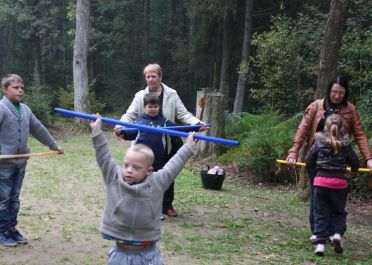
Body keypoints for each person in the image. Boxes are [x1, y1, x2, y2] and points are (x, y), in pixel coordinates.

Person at [90, 114, 198, 265]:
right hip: (120, 254)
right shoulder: (114, 177)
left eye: (136, 167)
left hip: (148, 255)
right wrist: (96, 131)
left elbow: (173, 166)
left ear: (149, 170)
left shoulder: (157, 182)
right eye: (126, 165)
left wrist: (188, 147)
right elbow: (104, 156)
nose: (128, 170)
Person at [286, 74, 372, 242]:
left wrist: (368, 158)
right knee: (318, 198)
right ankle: (318, 232)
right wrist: (293, 152)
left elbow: (360, 135)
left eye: (341, 92)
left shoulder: (350, 110)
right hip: (316, 158)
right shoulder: (316, 106)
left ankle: (333, 233)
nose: (337, 95)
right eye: (334, 91)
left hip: (338, 161)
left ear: (345, 92)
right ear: (329, 90)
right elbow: (302, 130)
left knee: (336, 199)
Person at [117, 63, 207, 218]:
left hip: (167, 143)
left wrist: (196, 124)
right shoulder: (140, 96)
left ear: (160, 77)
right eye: (148, 76)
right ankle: (139, 205)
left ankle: (166, 205)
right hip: (143, 145)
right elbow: (129, 115)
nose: (151, 79)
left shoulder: (171, 94)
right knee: (142, 175)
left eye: (154, 76)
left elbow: (183, 114)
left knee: (167, 173)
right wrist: (120, 126)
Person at [0, 74, 64, 247]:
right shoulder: (1, 108)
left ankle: (11, 228)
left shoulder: (25, 109)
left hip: (20, 163)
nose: (20, 90)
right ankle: (2, 231)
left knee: (14, 198)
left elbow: (38, 129)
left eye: (22, 87)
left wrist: (53, 145)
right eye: (15, 87)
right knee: (4, 198)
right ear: (5, 90)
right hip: (3, 165)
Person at [305, 114, 359, 256]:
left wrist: (316, 165)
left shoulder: (318, 142)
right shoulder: (346, 144)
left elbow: (309, 160)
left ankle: (320, 245)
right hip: (339, 184)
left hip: (321, 182)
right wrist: (352, 169)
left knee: (320, 213)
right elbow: (355, 164)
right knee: (339, 212)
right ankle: (336, 234)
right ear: (342, 127)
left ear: (325, 126)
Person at [116, 93, 196, 172]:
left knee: (157, 182)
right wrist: (120, 132)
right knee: (140, 181)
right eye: (150, 107)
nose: (153, 109)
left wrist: (197, 127)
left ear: (159, 107)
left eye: (155, 106)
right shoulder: (138, 122)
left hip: (158, 160)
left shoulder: (164, 122)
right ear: (144, 108)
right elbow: (129, 134)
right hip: (140, 159)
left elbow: (179, 129)